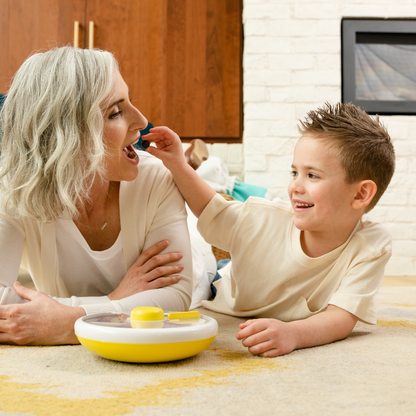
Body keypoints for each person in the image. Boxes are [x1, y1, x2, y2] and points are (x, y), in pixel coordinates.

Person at [144, 102, 395, 357]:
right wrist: (178, 164)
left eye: (313, 176)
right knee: (192, 271)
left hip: (257, 275)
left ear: (361, 193)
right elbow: (212, 208)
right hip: (224, 281)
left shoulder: (372, 245)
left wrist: (293, 334)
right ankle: (198, 165)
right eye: (295, 172)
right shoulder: (265, 218)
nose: (295, 186)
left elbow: (341, 317)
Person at [0, 46, 212, 346]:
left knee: (212, 256)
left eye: (129, 102)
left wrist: (68, 321)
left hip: (201, 264)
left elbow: (175, 296)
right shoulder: (14, 188)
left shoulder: (156, 178)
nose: (141, 121)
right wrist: (115, 300)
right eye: (115, 112)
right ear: (66, 135)